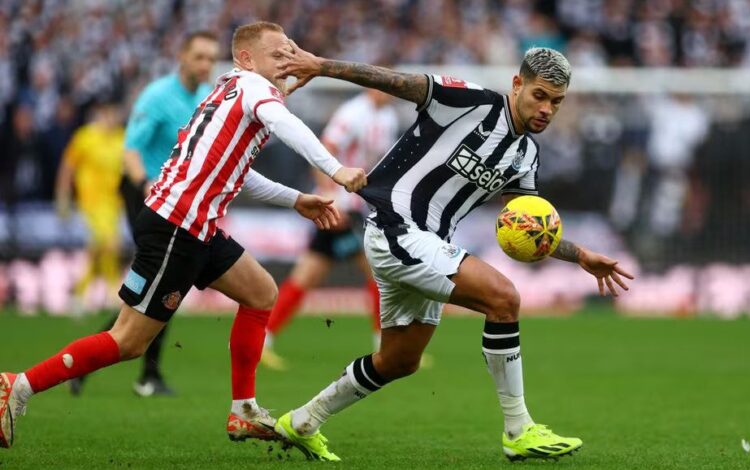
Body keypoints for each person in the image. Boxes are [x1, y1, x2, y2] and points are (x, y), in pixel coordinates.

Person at [0, 21, 367, 449]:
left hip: (194, 225)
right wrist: (335, 170)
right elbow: (287, 125)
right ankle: (17, 386)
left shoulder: (228, 89)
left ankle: (244, 410)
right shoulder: (253, 89)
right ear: (246, 59)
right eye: (278, 54)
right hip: (177, 226)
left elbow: (238, 174)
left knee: (261, 292)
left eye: (291, 51)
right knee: (128, 341)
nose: (288, 61)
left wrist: (296, 199)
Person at [270, 45, 634, 462]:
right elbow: (393, 80)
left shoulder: (525, 155)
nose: (547, 109)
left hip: (429, 243)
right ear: (517, 84)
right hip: (396, 227)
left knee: (399, 360)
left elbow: (529, 226)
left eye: (556, 101)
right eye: (539, 95)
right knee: (504, 297)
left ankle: (301, 421)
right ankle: (518, 428)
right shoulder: (467, 101)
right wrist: (322, 65)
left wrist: (580, 255)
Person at [69, 30, 220, 398]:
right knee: (164, 283)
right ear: (182, 55)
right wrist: (146, 185)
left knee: (159, 286)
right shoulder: (157, 96)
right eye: (199, 56)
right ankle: (144, 374)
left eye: (210, 58)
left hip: (175, 199)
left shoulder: (203, 96)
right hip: (145, 194)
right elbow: (132, 149)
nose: (206, 64)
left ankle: (88, 360)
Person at [262, 88, 398, 370]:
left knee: (306, 276)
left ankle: (262, 339)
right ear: (373, 88)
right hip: (340, 206)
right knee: (379, 272)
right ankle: (386, 347)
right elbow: (324, 152)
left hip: (357, 207)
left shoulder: (387, 117)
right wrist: (330, 198)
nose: (391, 94)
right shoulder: (352, 113)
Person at [55, 101, 125, 312]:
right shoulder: (85, 137)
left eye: (114, 115)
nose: (111, 119)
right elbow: (68, 166)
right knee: (110, 243)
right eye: (107, 115)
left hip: (113, 202)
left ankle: (78, 294)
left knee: (98, 248)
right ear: (99, 115)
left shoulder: (121, 138)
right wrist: (62, 195)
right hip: (91, 202)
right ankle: (113, 293)